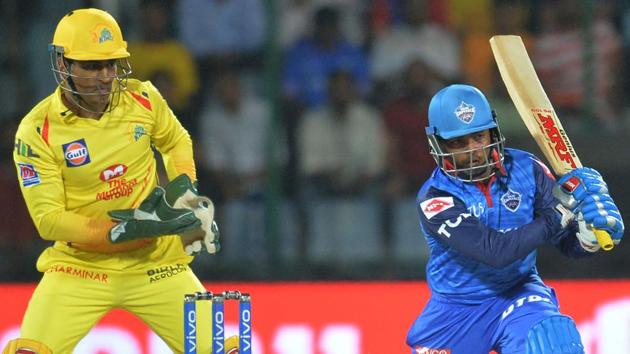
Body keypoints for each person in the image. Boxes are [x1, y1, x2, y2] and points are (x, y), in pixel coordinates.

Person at [8, 8, 235, 353]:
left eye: (111, 64)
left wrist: (185, 198)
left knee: (222, 350)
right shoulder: (37, 130)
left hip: (156, 264)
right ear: (63, 65)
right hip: (81, 269)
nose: (105, 76)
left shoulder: (142, 97)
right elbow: (49, 220)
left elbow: (176, 142)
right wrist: (122, 229)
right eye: (92, 66)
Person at [407, 84, 624, 353]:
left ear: (492, 132)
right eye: (458, 142)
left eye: (479, 136)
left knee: (550, 341)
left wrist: (587, 235)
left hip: (518, 293)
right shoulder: (435, 197)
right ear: (438, 144)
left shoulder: (526, 169)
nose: (474, 150)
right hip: (456, 309)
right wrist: (563, 213)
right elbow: (495, 251)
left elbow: (567, 243)